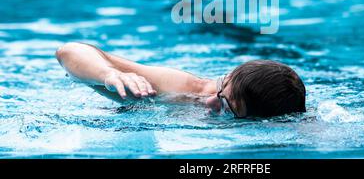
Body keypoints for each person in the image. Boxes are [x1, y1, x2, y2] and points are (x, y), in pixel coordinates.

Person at [55, 42, 306, 118]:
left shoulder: (281, 116)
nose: (209, 102)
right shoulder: (185, 88)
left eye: (228, 109)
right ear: (228, 77)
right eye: (221, 89)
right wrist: (109, 74)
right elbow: (68, 51)